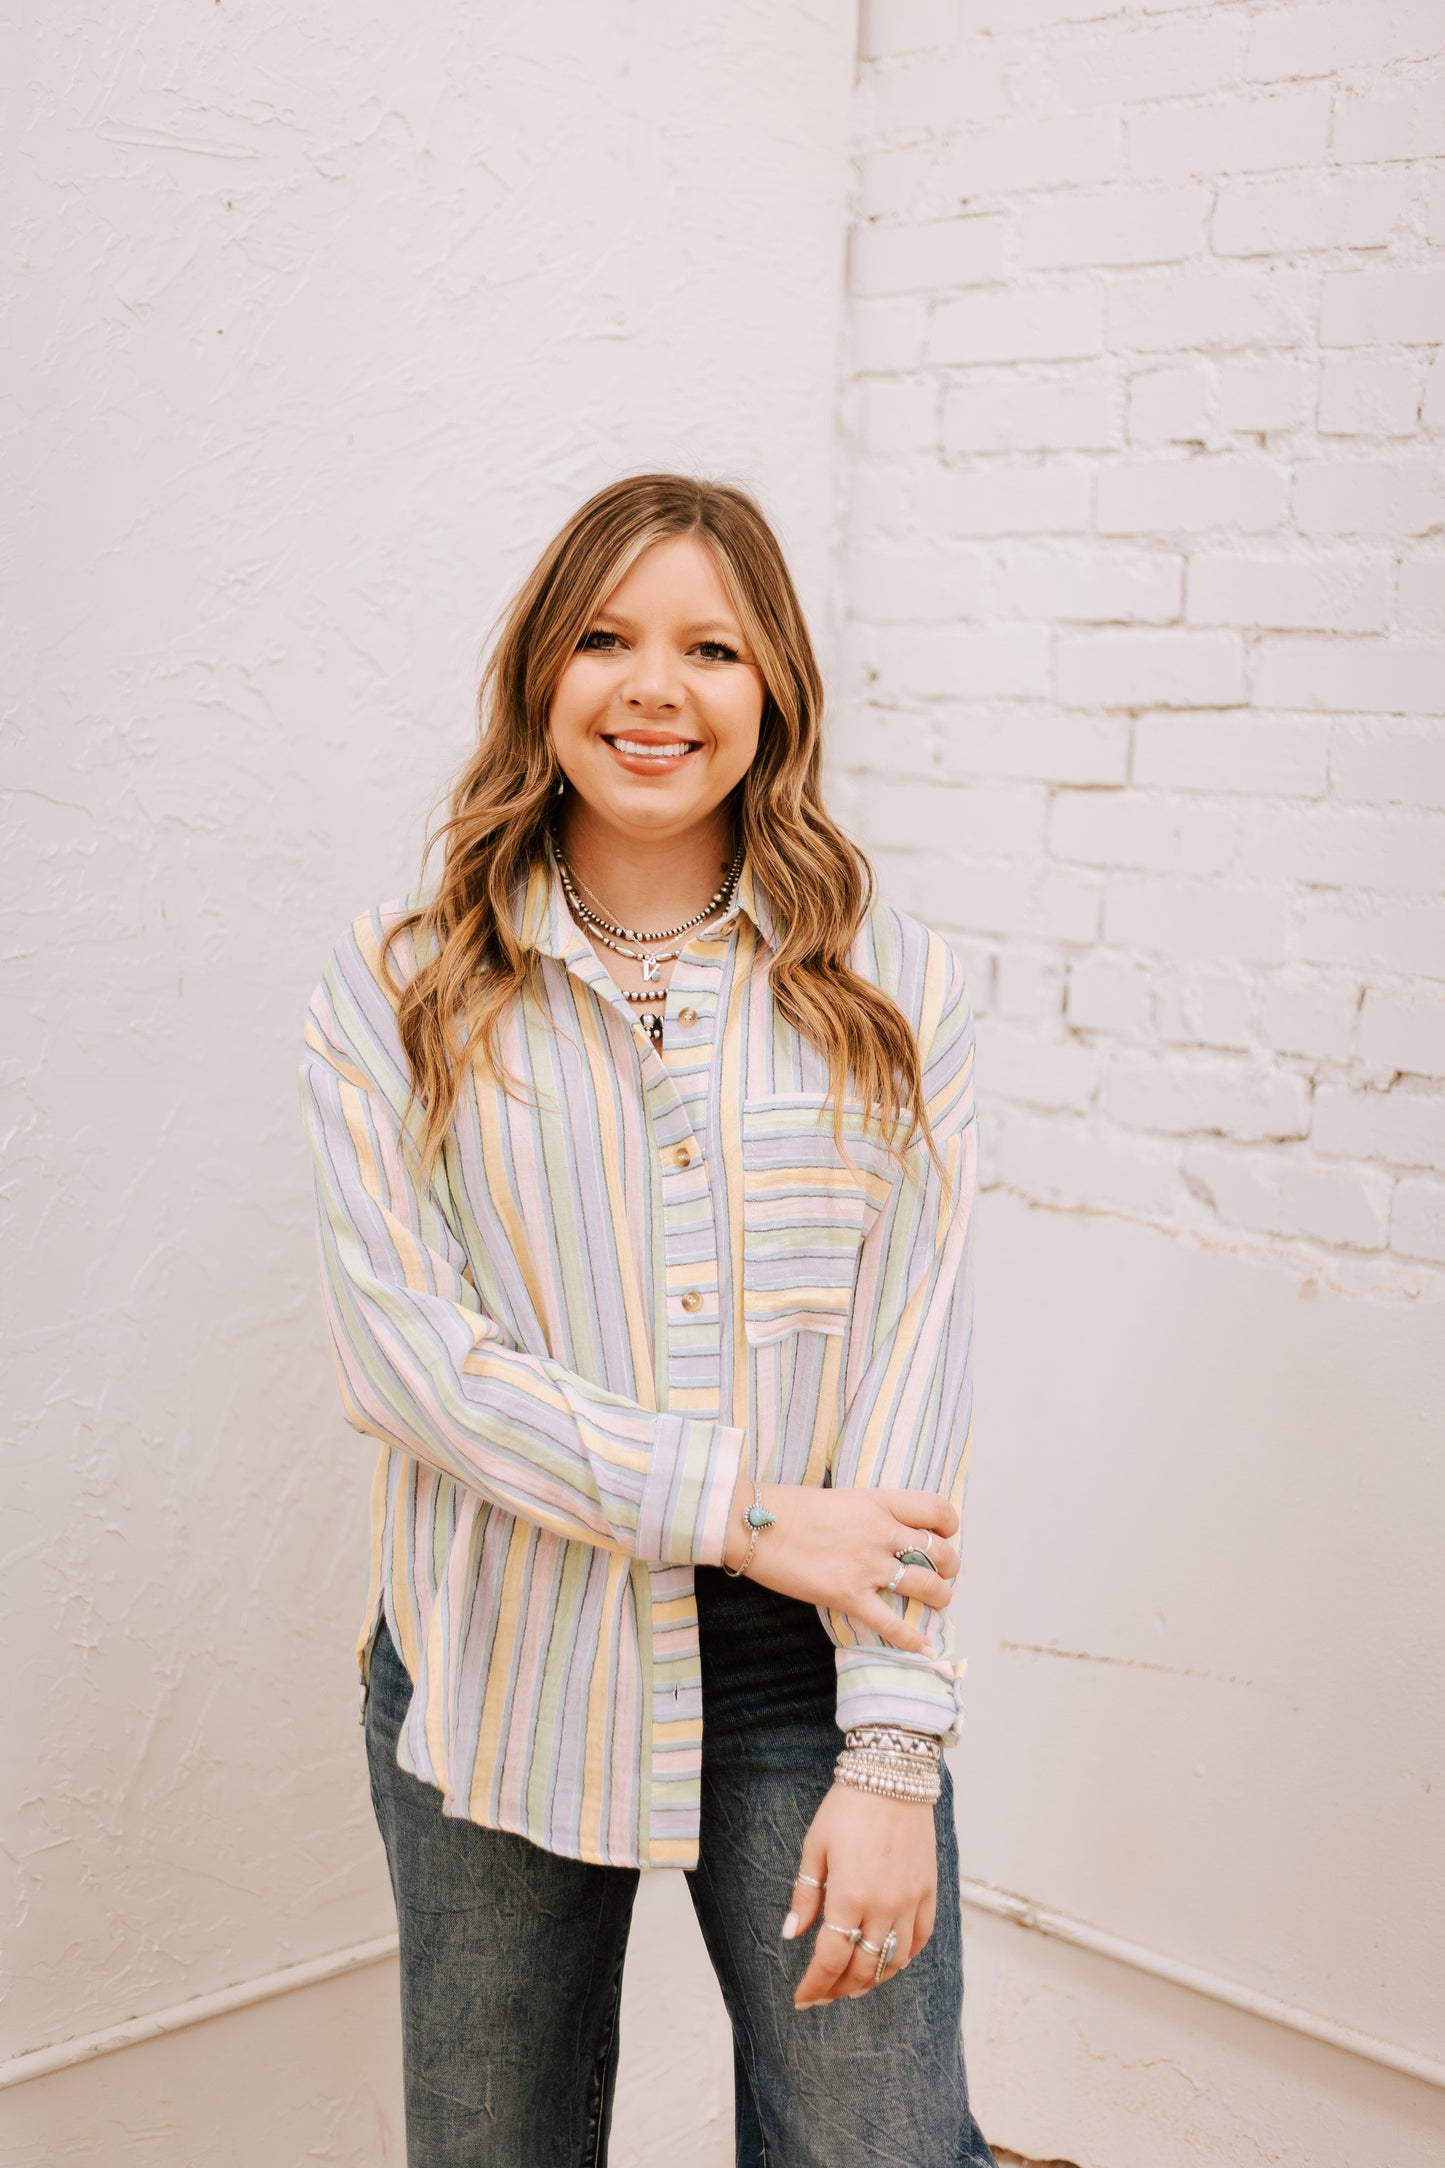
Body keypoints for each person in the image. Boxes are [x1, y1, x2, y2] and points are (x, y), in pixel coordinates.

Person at [300, 474, 994, 2168]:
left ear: (775, 696)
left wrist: (893, 1751)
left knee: (880, 2147)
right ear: (543, 672)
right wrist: (747, 1514)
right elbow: (412, 1364)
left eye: (711, 646)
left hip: (810, 1660)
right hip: (498, 1646)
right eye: (606, 639)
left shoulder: (895, 989)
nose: (654, 689)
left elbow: (916, 1368)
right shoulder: (397, 982)